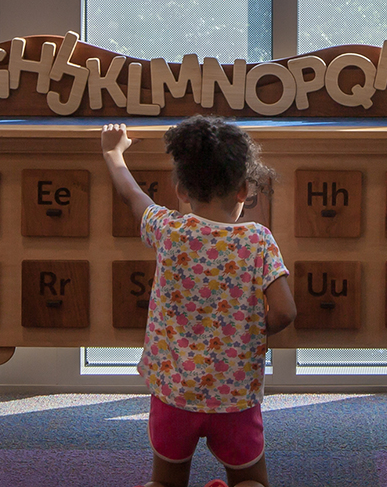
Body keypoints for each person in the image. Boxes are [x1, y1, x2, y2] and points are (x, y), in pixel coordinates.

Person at [101, 117, 297, 487]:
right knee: (250, 482)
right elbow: (285, 310)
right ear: (243, 190)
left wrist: (113, 153)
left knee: (165, 483)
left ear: (180, 190)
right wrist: (255, 332)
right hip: (235, 399)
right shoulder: (257, 240)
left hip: (174, 396)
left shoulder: (168, 230)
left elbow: (132, 195)